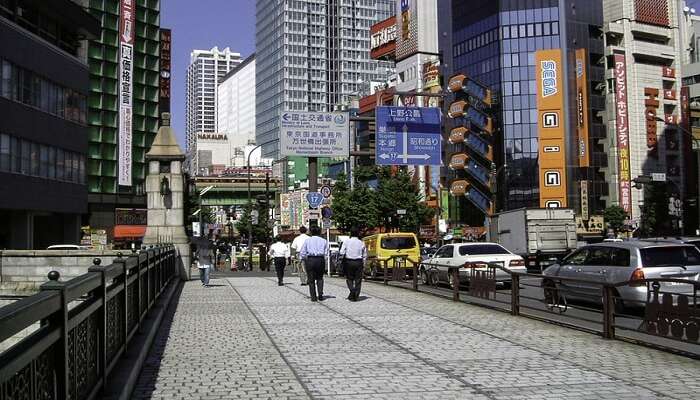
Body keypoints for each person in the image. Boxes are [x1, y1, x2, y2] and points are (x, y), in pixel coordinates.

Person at [300, 225, 328, 302]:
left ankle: (313, 296)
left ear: (311, 232)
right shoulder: (324, 241)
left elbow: (302, 252)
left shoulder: (307, 241)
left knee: (311, 279)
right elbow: (326, 253)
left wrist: (303, 258)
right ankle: (320, 294)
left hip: (311, 259)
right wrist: (324, 259)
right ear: (319, 232)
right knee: (320, 278)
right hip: (320, 259)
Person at [339, 227, 367, 301]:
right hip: (358, 262)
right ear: (358, 233)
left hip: (349, 262)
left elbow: (341, 252)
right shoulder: (361, 242)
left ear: (350, 233)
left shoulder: (346, 241)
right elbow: (364, 255)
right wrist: (364, 263)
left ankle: (352, 290)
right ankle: (356, 296)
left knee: (349, 279)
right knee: (358, 279)